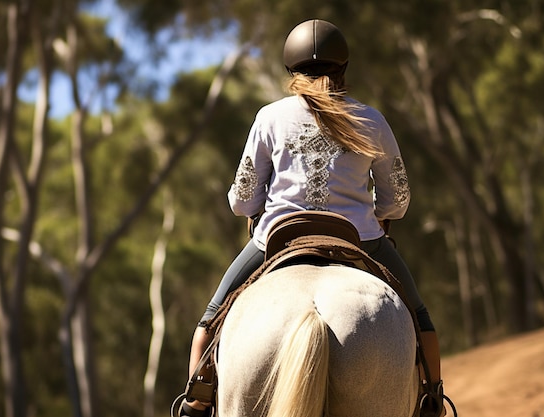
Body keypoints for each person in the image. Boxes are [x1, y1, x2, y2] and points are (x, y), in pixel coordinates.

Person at [180, 19, 447, 417]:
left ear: (291, 70)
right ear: (345, 68)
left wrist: (259, 206)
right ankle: (432, 401)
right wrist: (376, 211)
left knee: (209, 320)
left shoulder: (270, 118)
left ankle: (197, 401)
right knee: (421, 318)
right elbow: (399, 200)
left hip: (277, 238)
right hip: (361, 239)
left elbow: (241, 200)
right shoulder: (371, 119)